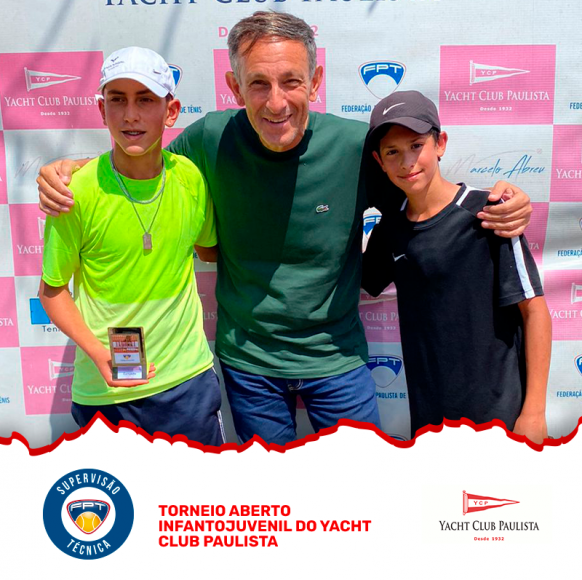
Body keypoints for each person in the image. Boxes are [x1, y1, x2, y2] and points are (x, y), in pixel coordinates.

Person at [37, 12, 533, 446]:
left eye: (291, 82)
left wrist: (504, 202)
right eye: (258, 84)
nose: (276, 103)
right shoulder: (209, 139)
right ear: (235, 88)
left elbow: (423, 198)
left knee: (362, 489)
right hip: (248, 365)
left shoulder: (355, 146)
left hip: (338, 359)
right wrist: (72, 170)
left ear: (315, 82)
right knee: (270, 499)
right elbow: (139, 162)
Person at [39, 47, 225, 445]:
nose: (130, 115)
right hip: (105, 395)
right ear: (101, 109)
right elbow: (52, 291)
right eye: (117, 100)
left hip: (186, 383)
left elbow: (209, 249)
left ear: (171, 112)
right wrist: (98, 352)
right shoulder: (74, 192)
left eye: (145, 100)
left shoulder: (190, 178)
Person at [361, 90, 551, 444]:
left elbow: (534, 310)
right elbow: (359, 279)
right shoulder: (390, 230)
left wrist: (534, 412)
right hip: (430, 422)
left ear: (441, 143)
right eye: (392, 152)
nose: (407, 162)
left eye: (416, 145)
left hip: (499, 418)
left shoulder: (490, 212)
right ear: (379, 160)